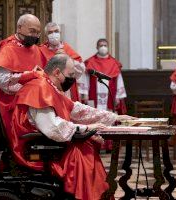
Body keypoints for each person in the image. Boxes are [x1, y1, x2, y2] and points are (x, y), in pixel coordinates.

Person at [10, 54, 132, 200]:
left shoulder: (49, 86)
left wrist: (113, 117)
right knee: (83, 155)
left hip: (46, 141)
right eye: (71, 74)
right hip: (32, 146)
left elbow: (77, 109)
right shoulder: (39, 88)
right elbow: (53, 127)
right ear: (57, 72)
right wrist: (86, 128)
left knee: (87, 146)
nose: (73, 79)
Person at [0, 14, 45, 133]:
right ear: (19, 28)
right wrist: (30, 78)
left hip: (32, 103)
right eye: (32, 31)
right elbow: (4, 83)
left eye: (38, 33)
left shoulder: (36, 50)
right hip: (9, 104)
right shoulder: (8, 49)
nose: (35, 36)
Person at [79, 38, 127, 151]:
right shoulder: (90, 62)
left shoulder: (114, 63)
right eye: (101, 45)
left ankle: (109, 145)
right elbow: (85, 79)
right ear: (97, 47)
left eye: (105, 45)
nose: (103, 47)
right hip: (93, 97)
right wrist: (84, 94)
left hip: (110, 96)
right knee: (94, 119)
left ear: (108, 47)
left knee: (109, 118)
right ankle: (96, 145)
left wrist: (118, 97)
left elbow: (119, 80)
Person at [39, 22, 85, 102]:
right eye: (50, 32)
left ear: (60, 33)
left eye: (56, 31)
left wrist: (67, 57)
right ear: (46, 35)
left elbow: (80, 70)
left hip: (66, 90)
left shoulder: (67, 48)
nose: (54, 34)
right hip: (48, 89)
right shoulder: (41, 50)